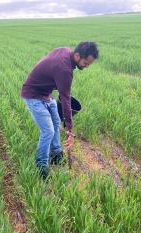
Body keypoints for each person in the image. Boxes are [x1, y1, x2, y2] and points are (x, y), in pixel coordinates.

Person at [20, 41, 99, 179]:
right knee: (48, 131)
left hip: (45, 93)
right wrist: (70, 129)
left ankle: (56, 154)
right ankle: (41, 167)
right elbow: (65, 99)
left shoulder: (65, 51)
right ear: (77, 55)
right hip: (33, 95)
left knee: (56, 122)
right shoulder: (65, 69)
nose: (86, 66)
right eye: (86, 63)